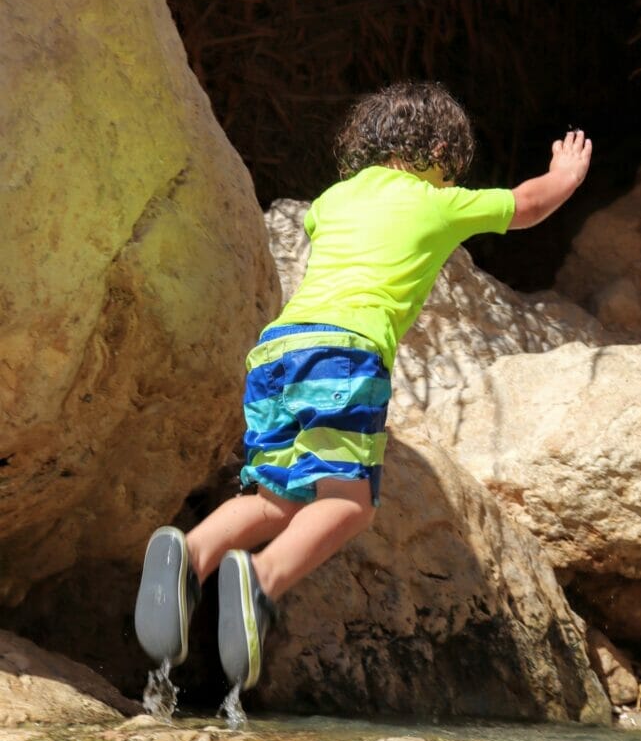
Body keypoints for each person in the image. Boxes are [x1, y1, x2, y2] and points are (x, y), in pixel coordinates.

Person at [134, 81, 592, 692]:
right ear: (439, 150)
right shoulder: (436, 202)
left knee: (279, 496)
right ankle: (264, 579)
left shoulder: (333, 201)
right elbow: (528, 205)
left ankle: (190, 554)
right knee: (348, 505)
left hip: (276, 352)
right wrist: (565, 174)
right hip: (346, 352)